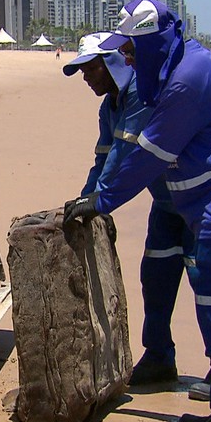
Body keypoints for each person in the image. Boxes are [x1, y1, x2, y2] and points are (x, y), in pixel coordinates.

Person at [64, 0, 211, 422]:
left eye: (131, 50)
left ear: (151, 44)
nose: (127, 58)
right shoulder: (187, 64)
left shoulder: (185, 81)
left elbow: (149, 155)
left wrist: (101, 202)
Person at [63, 32, 197, 387]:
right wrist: (84, 200)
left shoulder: (140, 94)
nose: (86, 78)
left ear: (112, 64)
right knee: (156, 278)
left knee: (208, 287)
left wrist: (99, 202)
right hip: (167, 204)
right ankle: (158, 357)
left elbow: (124, 160)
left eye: (90, 69)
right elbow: (103, 159)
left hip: (197, 202)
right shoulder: (109, 107)